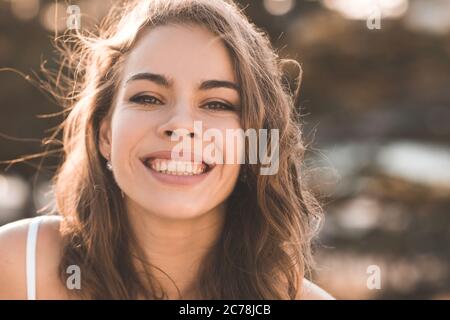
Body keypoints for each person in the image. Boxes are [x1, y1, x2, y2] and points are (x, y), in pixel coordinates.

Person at [0, 0, 334, 300]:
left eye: (217, 103)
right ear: (105, 134)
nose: (181, 125)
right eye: (147, 97)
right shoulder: (17, 265)